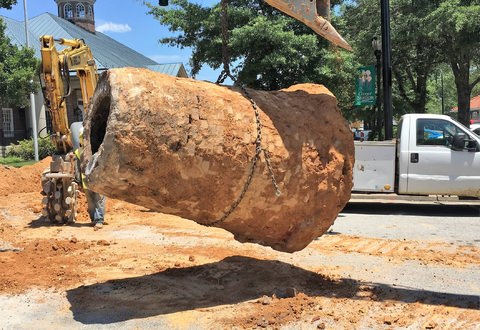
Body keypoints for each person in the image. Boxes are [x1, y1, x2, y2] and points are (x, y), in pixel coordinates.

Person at [71, 122, 106, 230]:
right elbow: (77, 167)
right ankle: (94, 219)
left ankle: (99, 220)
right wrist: (77, 180)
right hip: (86, 181)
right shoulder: (79, 152)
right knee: (92, 202)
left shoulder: (97, 150)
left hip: (97, 180)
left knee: (98, 200)